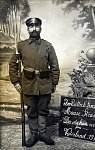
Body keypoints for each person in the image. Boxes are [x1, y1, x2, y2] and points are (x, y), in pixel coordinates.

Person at [9, 17, 60, 147]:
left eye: (36, 26)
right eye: (31, 27)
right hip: (28, 84)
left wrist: (54, 83)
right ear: (28, 29)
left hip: (45, 84)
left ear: (40, 28)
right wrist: (15, 82)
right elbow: (13, 65)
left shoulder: (48, 46)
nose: (34, 29)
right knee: (31, 110)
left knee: (43, 109)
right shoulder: (21, 46)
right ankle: (34, 134)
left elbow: (54, 66)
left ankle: (42, 133)